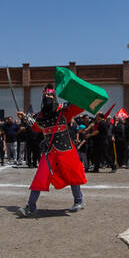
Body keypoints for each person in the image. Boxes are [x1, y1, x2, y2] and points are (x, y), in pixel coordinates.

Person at [15, 84, 87, 218]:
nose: (47, 97)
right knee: (40, 177)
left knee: (73, 175)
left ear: (54, 97)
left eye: (50, 95)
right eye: (45, 95)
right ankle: (30, 207)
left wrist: (72, 93)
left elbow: (80, 106)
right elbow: (37, 128)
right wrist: (24, 117)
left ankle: (79, 201)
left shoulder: (64, 111)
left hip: (66, 149)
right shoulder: (41, 115)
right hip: (49, 151)